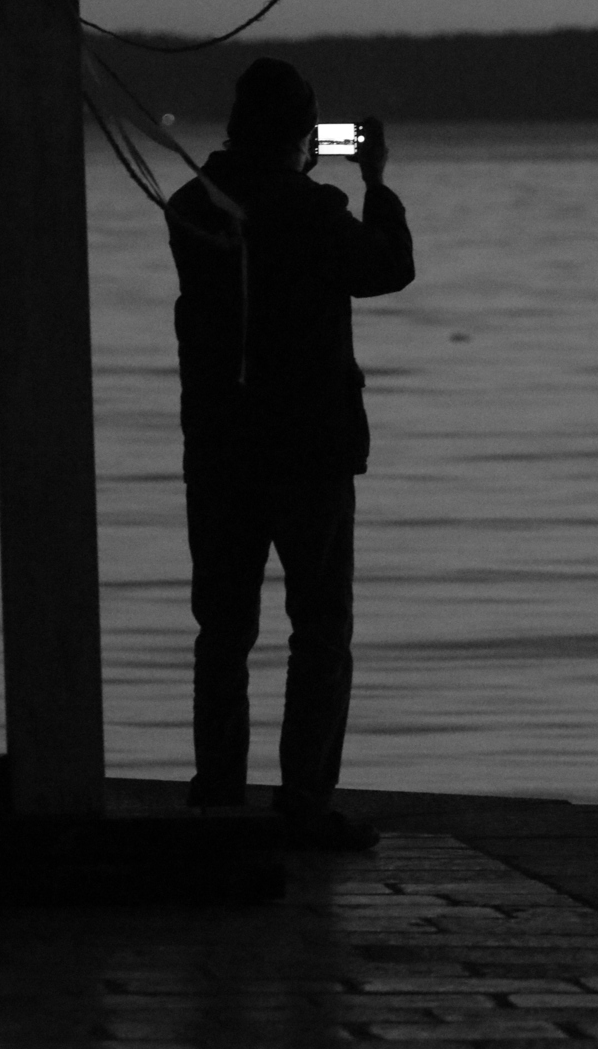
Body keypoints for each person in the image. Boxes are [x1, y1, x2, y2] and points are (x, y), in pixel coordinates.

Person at [165, 58, 415, 849]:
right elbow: (388, 266)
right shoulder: (313, 210)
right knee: (320, 631)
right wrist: (375, 181)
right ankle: (304, 803)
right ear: (303, 134)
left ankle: (217, 794)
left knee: (223, 632)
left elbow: (249, 223)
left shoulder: (192, 206)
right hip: (310, 449)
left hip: (221, 448)